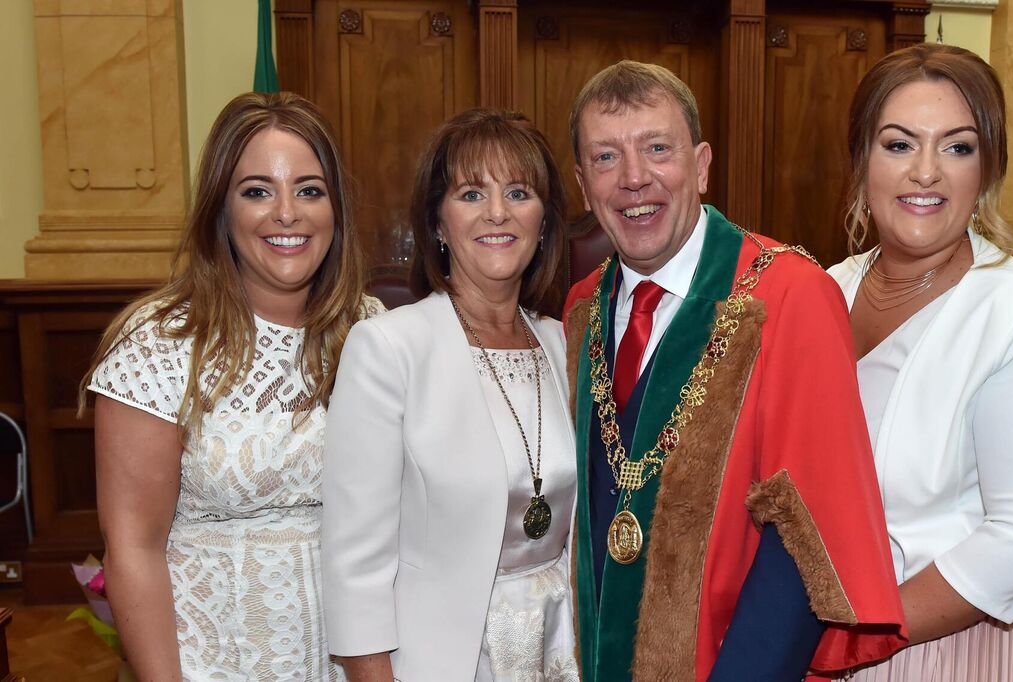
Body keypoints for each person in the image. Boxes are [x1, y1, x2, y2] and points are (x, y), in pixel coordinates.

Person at [563, 60, 906, 681]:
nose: (635, 178)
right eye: (607, 158)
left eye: (657, 149)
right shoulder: (582, 307)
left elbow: (807, 534)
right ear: (584, 186)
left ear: (700, 165)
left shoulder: (788, 296)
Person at [85, 91, 382, 680]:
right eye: (257, 191)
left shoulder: (371, 329)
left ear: (336, 210)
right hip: (214, 660)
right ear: (221, 210)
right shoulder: (159, 344)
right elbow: (133, 550)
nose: (287, 213)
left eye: (309, 189)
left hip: (353, 657)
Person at [827, 43, 1013, 680]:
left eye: (957, 146)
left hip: (937, 643)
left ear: (986, 170)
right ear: (862, 159)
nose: (926, 172)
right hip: (812, 631)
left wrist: (866, 633)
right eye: (898, 144)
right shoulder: (823, 290)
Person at [321, 108, 579, 682]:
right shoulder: (389, 348)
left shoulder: (565, 345)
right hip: (442, 661)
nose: (497, 213)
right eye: (470, 193)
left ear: (544, 223)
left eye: (518, 192)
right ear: (437, 222)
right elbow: (353, 563)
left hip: (562, 651)